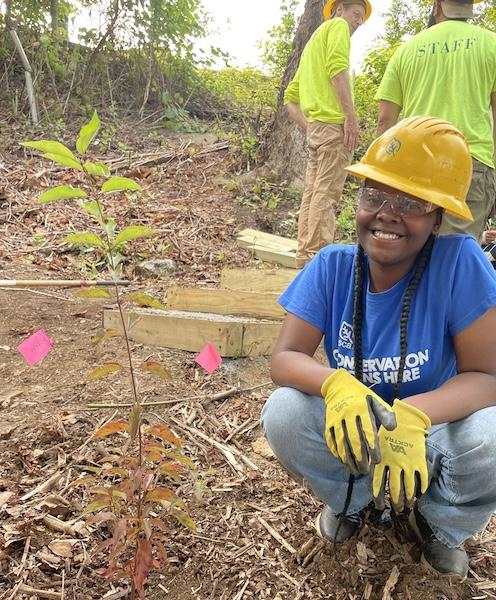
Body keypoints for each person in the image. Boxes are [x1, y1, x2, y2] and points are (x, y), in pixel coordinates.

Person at [261, 116, 496, 578]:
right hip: (356, 433)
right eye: (373, 195)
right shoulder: (331, 267)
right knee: (284, 412)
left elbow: (487, 378)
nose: (387, 212)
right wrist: (336, 385)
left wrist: (414, 415)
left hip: (431, 435)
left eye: (410, 202)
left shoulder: (459, 264)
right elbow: (284, 360)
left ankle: (437, 521)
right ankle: (355, 500)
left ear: (437, 218)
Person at [375, 0, 496, 242]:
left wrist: (379, 182)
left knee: (408, 250)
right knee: (454, 256)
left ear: (437, 6)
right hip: (469, 166)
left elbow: (384, 122)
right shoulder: (491, 44)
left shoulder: (407, 50)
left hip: (412, 163)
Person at [284, 0, 372, 268]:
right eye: (355, 14)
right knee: (326, 193)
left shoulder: (313, 43)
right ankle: (317, 259)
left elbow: (291, 97)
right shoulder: (337, 28)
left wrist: (309, 126)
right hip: (334, 126)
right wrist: (350, 118)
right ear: (338, 10)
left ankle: (305, 255)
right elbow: (337, 69)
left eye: (361, 18)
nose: (357, 21)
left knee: (313, 192)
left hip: (318, 128)